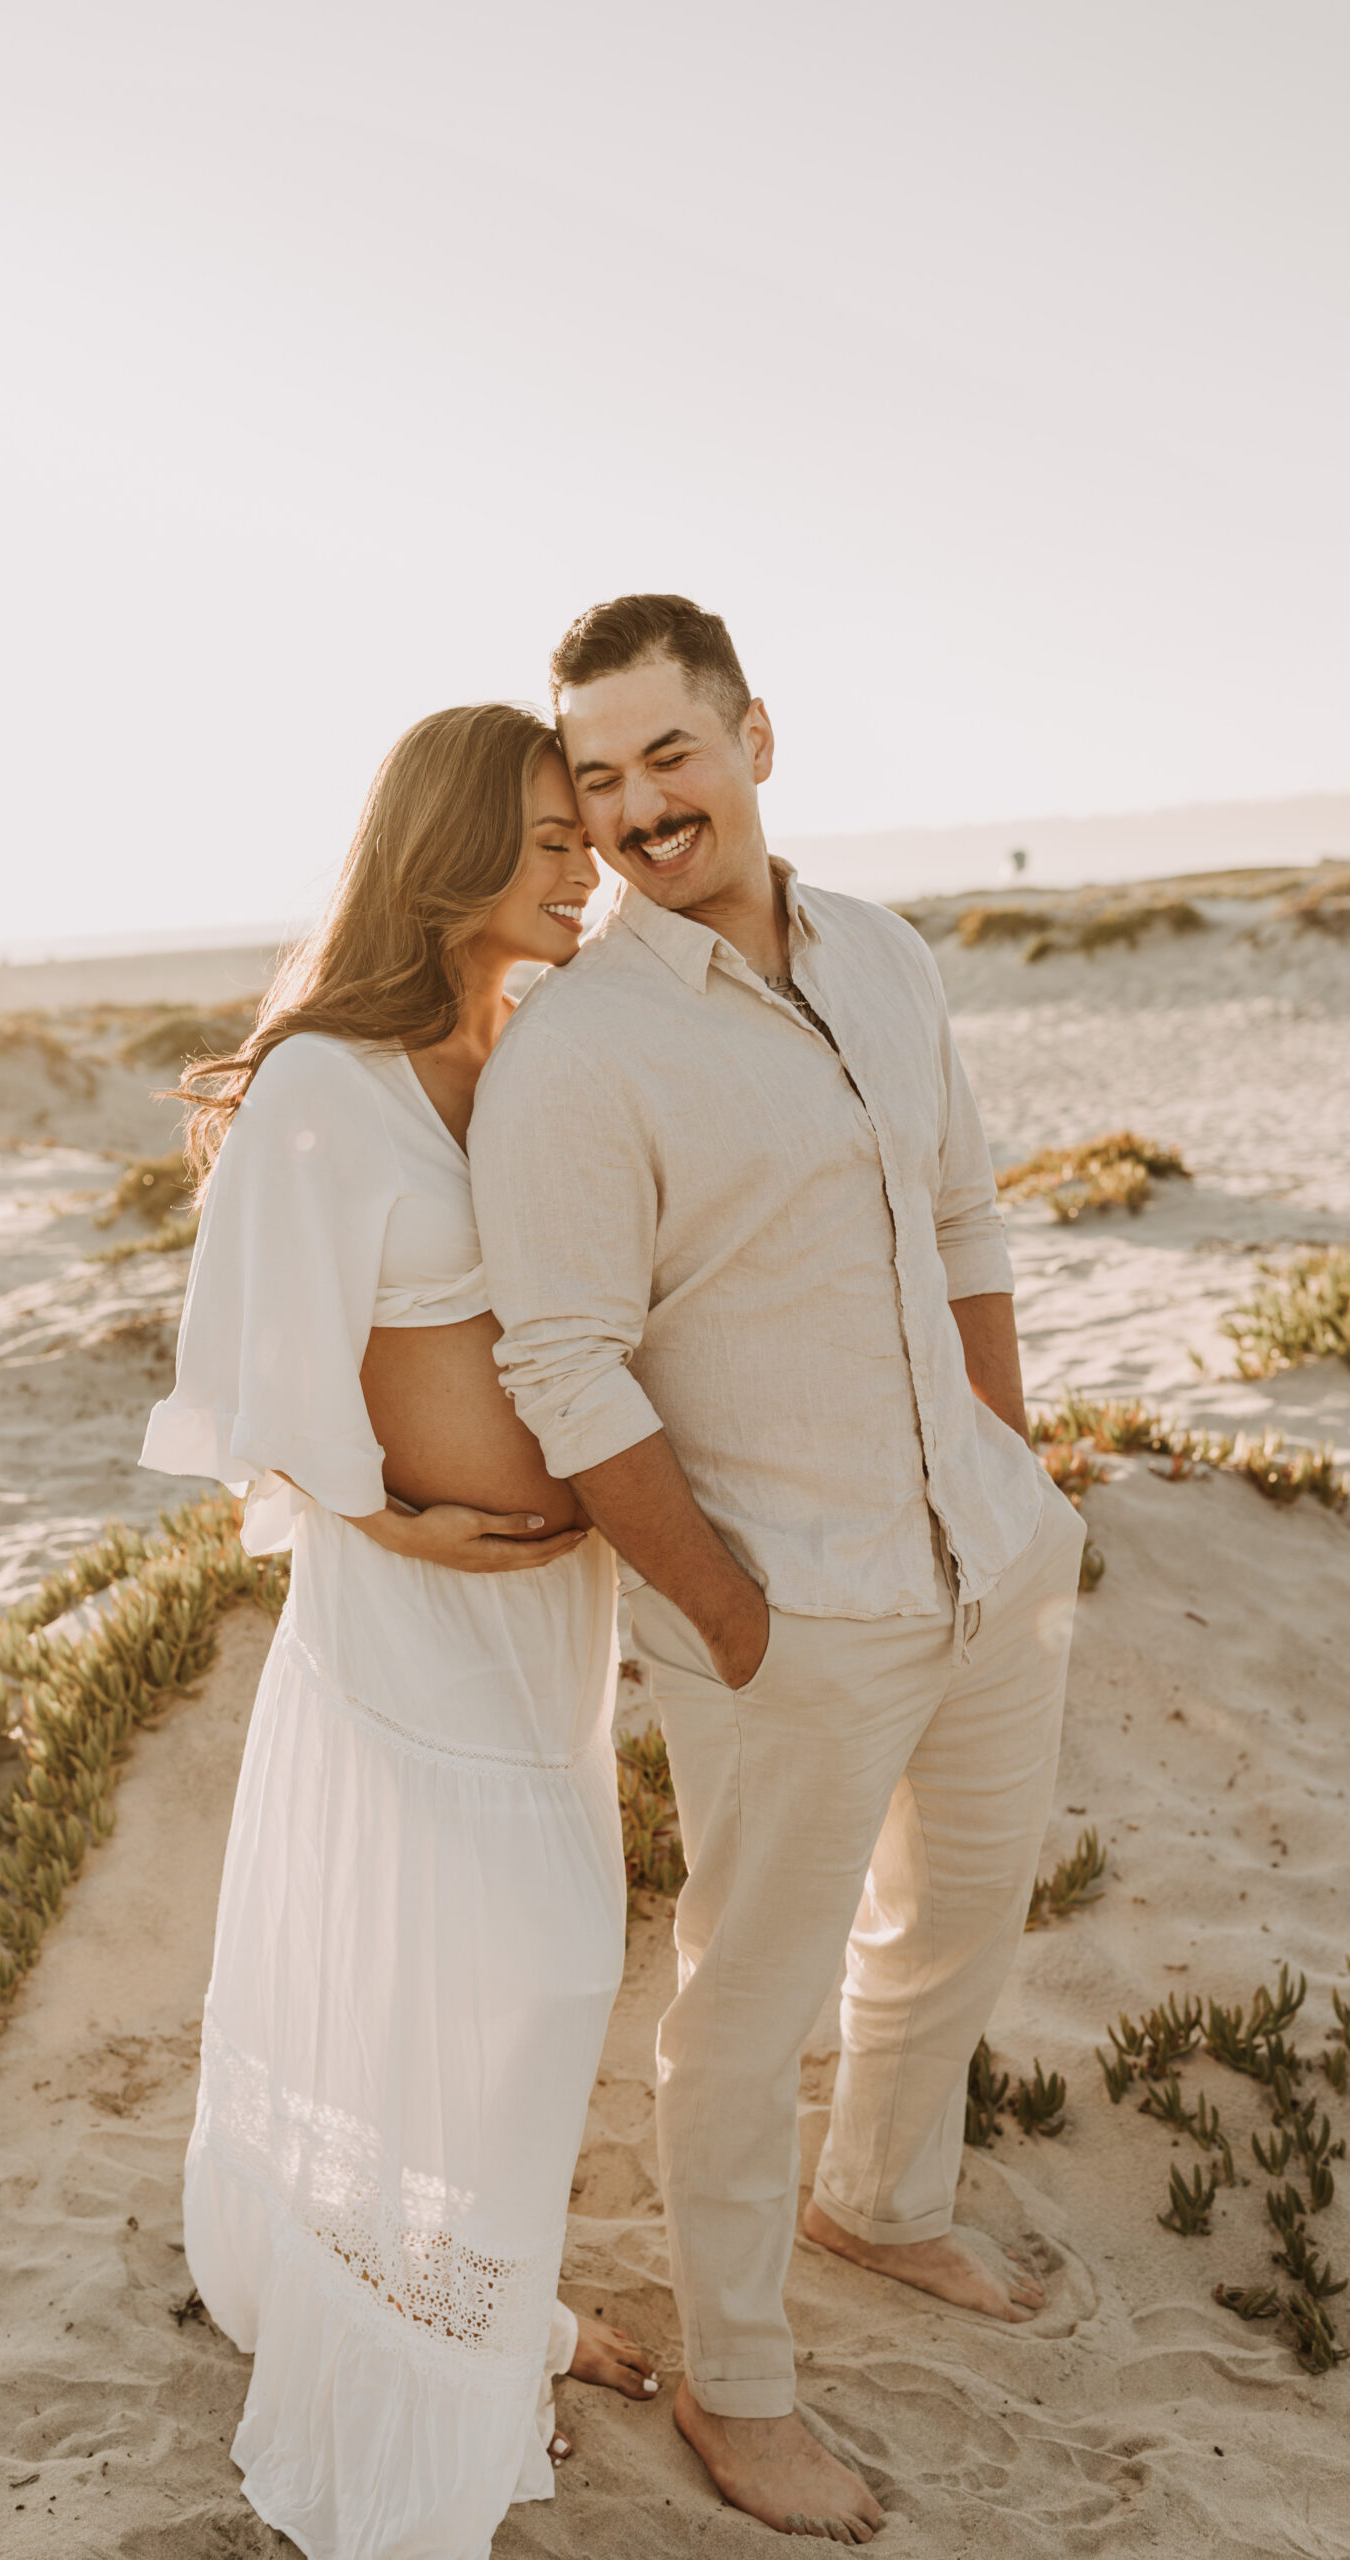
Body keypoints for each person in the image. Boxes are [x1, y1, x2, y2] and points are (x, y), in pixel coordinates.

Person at [469, 596, 1086, 2545]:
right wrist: (727, 1611)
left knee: (960, 1911)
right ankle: (737, 2385)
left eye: (673, 752)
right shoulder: (580, 1049)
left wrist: (1004, 1466)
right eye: (599, 775)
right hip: (784, 1620)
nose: (643, 803)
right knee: (740, 2010)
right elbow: (557, 1358)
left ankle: (881, 2198)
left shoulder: (889, 958)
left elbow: (968, 1220)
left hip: (980, 1569)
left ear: (751, 734)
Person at [140, 702, 657, 2560]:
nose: (580, 861)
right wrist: (390, 1514)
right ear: (445, 855)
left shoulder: (523, 1049)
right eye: (543, 835)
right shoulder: (326, 1086)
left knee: (505, 1984)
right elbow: (249, 1363)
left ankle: (488, 2304)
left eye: (581, 830)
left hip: (552, 1626)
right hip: (412, 1622)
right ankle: (423, 2361)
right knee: (514, 1974)